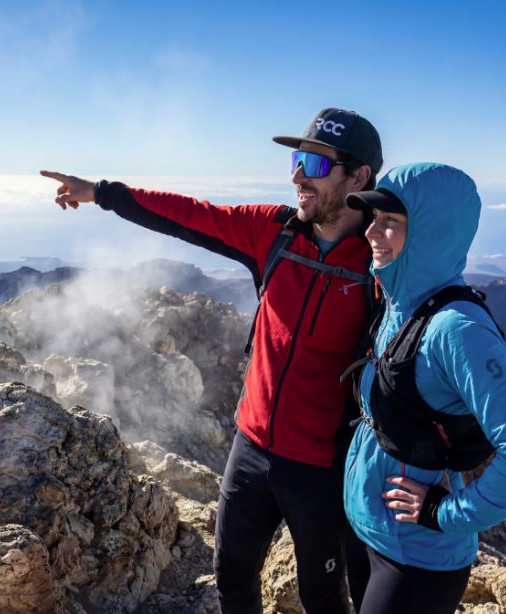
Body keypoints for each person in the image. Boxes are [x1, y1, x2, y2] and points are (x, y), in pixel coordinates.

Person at [41, 108, 383, 613]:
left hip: (321, 467)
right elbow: (191, 215)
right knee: (231, 577)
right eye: (295, 160)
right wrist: (103, 193)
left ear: (359, 177)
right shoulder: (275, 233)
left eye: (313, 164)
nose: (295, 176)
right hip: (251, 448)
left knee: (322, 597)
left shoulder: (380, 264)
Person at [341, 162, 506, 614]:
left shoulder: (457, 329)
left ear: (431, 231)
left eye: (391, 223)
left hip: (418, 559)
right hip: (371, 531)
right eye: (374, 220)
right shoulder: (401, 305)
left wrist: (445, 514)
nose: (371, 234)